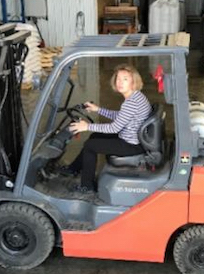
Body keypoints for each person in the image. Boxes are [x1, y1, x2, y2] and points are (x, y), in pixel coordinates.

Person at [65, 63, 152, 194]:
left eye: (125, 79)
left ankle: (86, 187)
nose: (120, 82)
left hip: (131, 144)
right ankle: (73, 169)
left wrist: (86, 126)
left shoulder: (131, 103)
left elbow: (114, 128)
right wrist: (98, 110)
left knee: (90, 145)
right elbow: (121, 117)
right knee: (95, 136)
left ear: (134, 81)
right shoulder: (136, 96)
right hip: (134, 139)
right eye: (118, 78)